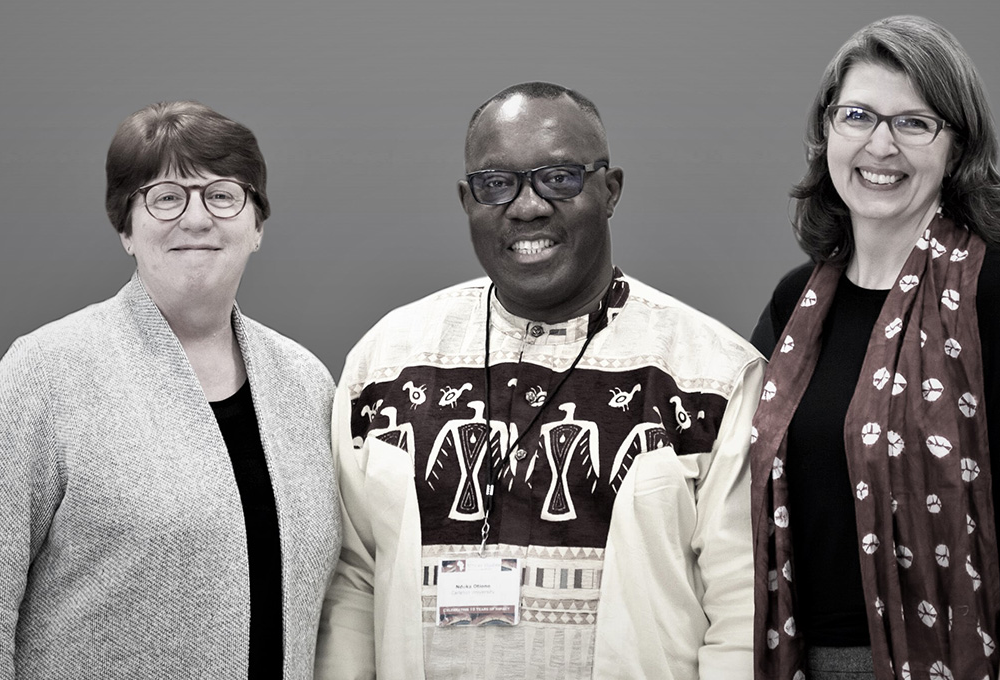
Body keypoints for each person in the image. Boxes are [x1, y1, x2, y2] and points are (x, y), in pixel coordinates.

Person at [317, 81, 764, 679]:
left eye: (558, 177)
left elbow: (742, 609)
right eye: (496, 183)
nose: (527, 206)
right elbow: (352, 584)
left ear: (611, 190)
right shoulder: (386, 362)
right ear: (467, 200)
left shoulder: (711, 374)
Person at [0, 101, 340, 678]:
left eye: (223, 195)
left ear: (258, 226)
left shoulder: (306, 383)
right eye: (166, 197)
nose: (197, 219)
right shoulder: (47, 372)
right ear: (126, 228)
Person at [749, 16, 1000, 680]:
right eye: (857, 116)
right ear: (826, 133)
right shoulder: (796, 303)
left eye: (914, 123)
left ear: (957, 149)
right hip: (791, 661)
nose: (881, 145)